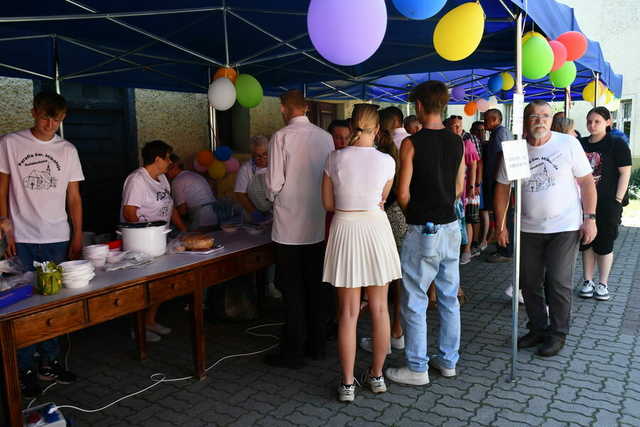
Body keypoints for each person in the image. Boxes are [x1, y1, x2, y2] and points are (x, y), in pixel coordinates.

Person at [495, 100, 597, 357]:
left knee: (558, 280)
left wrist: (590, 218)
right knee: (528, 282)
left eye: (544, 115)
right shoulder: (517, 150)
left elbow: (586, 182)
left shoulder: (567, 143)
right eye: (533, 116)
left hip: (564, 226)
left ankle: (558, 332)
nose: (540, 120)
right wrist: (500, 224)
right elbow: (503, 187)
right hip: (528, 228)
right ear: (525, 121)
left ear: (551, 120)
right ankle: (538, 328)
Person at [0, 91, 82, 397]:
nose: (51, 125)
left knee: (53, 303)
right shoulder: (10, 143)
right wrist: (4, 225)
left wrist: (76, 235)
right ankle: (22, 369)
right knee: (21, 304)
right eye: (47, 117)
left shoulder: (68, 150)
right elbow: (2, 186)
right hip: (20, 238)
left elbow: (74, 197)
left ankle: (49, 362)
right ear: (34, 112)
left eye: (58, 120)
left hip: (56, 237)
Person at [385, 80, 465, 386]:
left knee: (415, 298)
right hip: (451, 227)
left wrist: (414, 217)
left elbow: (402, 192)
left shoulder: (411, 143)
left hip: (423, 228)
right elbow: (458, 188)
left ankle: (417, 367)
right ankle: (448, 361)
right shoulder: (457, 141)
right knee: (448, 297)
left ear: (418, 106)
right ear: (443, 105)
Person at [322, 103, 401, 402]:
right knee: (380, 309)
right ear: (378, 129)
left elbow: (328, 204)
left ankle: (347, 384)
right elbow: (382, 199)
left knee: (348, 313)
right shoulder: (387, 162)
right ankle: (377, 376)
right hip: (376, 230)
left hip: (345, 228)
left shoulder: (334, 158)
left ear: (352, 125)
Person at [265, 90, 334, 368]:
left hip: (288, 227)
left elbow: (272, 184)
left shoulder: (280, 137)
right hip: (316, 223)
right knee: (316, 288)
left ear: (283, 108)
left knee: (292, 290)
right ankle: (317, 346)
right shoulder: (325, 137)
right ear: (306, 108)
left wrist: (278, 196)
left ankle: (293, 350)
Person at [121, 140, 187, 342]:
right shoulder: (137, 180)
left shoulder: (162, 179)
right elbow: (129, 212)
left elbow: (171, 207)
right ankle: (139, 328)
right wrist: (145, 235)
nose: (169, 162)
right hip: (141, 244)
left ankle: (150, 321)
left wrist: (184, 230)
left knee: (161, 283)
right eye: (167, 158)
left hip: (160, 240)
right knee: (143, 287)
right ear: (157, 159)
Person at [359, 109, 407, 356]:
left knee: (381, 282)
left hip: (385, 218)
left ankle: (388, 336)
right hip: (398, 218)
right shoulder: (399, 148)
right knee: (394, 279)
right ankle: (395, 331)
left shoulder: (382, 155)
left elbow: (385, 196)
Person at [578, 107, 631, 301]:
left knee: (605, 243)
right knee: (586, 243)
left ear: (608, 122)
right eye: (589, 121)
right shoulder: (580, 144)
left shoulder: (616, 144)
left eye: (597, 121)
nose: (592, 125)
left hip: (608, 203)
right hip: (584, 203)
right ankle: (587, 281)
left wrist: (617, 200)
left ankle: (603, 284)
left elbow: (625, 173)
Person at [445, 116, 480, 265]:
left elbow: (473, 166)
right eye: (454, 126)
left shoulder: (467, 143)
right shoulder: (445, 143)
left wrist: (472, 186)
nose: (458, 129)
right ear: (447, 127)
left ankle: (466, 250)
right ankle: (453, 249)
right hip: (448, 186)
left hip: (464, 185)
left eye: (459, 125)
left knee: (466, 218)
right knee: (454, 217)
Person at [484, 108, 514, 263]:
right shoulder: (502, 132)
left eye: (486, 119)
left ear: (495, 120)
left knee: (503, 216)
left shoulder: (499, 133)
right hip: (502, 179)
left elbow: (500, 156)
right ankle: (504, 247)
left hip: (501, 181)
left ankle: (505, 250)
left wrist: (496, 180)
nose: (484, 123)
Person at [165, 154, 217, 231]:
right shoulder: (193, 174)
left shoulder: (177, 181)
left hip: (201, 220)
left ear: (174, 167)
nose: (165, 173)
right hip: (215, 217)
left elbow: (182, 210)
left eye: (166, 170)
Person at [234, 135, 271, 223]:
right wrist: (254, 212)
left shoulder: (276, 166)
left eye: (265, 154)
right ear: (252, 155)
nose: (262, 159)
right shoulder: (246, 169)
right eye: (258, 156)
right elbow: (240, 193)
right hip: (252, 213)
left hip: (274, 213)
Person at [470, 120, 489, 251]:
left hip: (481, 182)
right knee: (480, 211)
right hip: (479, 181)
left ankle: (481, 240)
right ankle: (479, 240)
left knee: (481, 212)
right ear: (473, 131)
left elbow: (479, 163)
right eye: (478, 130)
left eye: (483, 130)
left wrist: (477, 183)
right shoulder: (474, 142)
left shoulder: (485, 144)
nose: (481, 133)